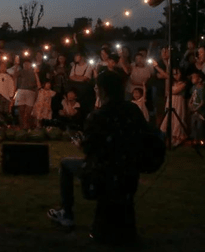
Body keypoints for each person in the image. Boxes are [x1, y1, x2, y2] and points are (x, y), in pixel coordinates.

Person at [48, 70, 150, 245]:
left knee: (65, 164)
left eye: (97, 87)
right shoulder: (133, 109)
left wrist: (80, 144)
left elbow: (90, 148)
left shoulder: (99, 115)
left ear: (103, 90)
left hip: (102, 172)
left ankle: (67, 214)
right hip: (130, 170)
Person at [189, 71, 205, 144]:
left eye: (194, 77)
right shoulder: (194, 87)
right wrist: (190, 103)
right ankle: (195, 139)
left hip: (200, 111)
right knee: (193, 124)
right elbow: (192, 96)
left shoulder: (202, 89)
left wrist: (196, 109)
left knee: (200, 126)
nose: (192, 79)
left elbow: (203, 102)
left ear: (199, 79)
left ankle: (202, 140)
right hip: (194, 110)